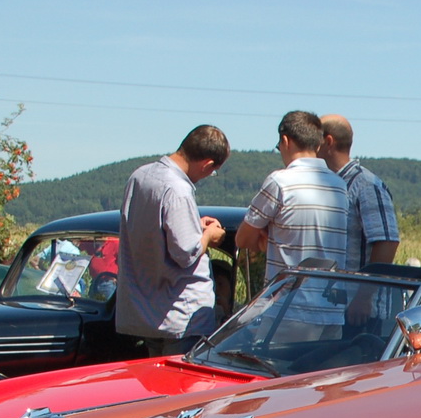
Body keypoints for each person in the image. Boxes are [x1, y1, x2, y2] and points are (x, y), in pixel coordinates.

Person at [116, 124, 229, 354]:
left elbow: (149, 230)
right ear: (207, 164)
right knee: (184, 387)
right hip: (181, 316)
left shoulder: (140, 176)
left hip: (146, 313)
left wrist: (193, 224)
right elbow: (185, 253)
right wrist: (209, 235)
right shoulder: (178, 189)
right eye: (212, 171)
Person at [235, 111, 350, 287]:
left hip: (287, 304)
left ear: (286, 141)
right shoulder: (340, 187)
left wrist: (266, 238)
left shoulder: (279, 182)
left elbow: (242, 240)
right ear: (318, 145)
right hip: (330, 306)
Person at [317, 114, 400, 270]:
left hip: (355, 292)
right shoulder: (328, 184)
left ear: (328, 142)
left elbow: (387, 242)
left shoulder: (366, 186)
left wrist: (365, 292)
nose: (311, 146)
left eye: (315, 141)